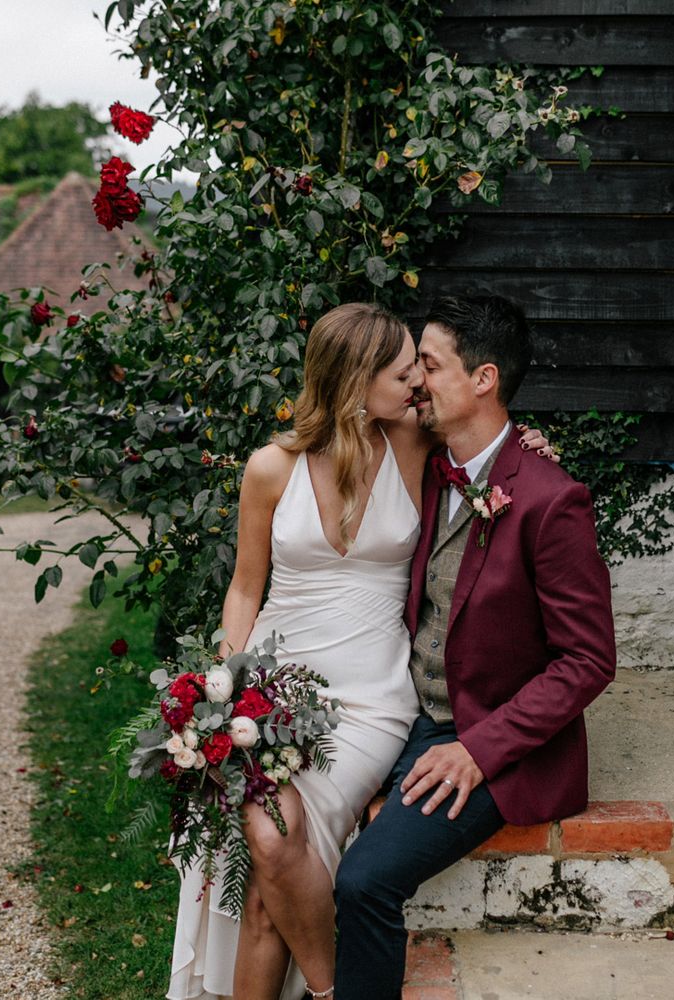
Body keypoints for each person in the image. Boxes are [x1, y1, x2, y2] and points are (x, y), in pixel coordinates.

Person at [166, 302, 555, 1000]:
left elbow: (494, 447)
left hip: (372, 696)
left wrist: (539, 448)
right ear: (355, 381)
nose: (417, 384)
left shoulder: (413, 444)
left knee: (272, 858)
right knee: (266, 859)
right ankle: (331, 989)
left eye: (420, 370)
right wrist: (222, 688)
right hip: (275, 690)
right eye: (404, 372)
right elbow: (245, 589)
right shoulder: (270, 469)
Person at [332, 295, 617, 998]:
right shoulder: (427, 465)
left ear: (483, 379)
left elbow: (588, 660)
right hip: (402, 712)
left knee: (365, 879)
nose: (416, 381)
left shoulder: (552, 500)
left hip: (487, 742)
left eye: (429, 364)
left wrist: (477, 751)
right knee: (295, 824)